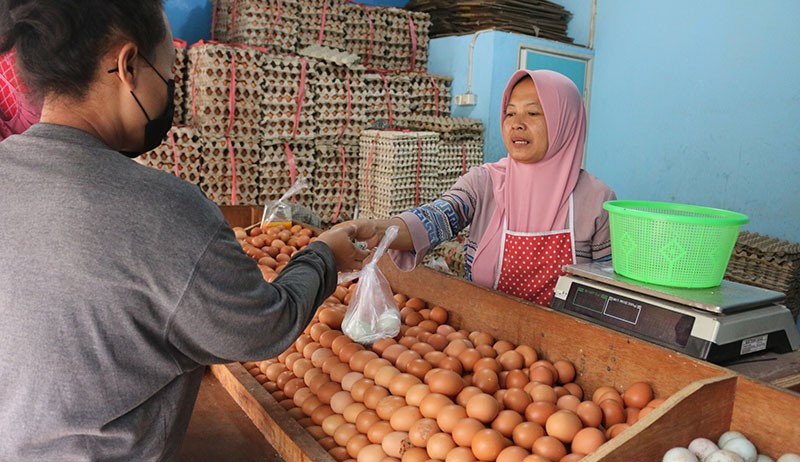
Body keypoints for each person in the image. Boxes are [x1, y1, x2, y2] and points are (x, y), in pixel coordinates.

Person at [0, 1, 370, 459]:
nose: (172, 89)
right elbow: (261, 328)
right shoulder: (164, 210)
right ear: (128, 64)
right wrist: (323, 255)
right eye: (169, 72)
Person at [340, 69, 616, 306]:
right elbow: (436, 218)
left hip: (566, 348)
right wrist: (374, 230)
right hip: (485, 333)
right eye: (510, 113)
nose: (516, 124)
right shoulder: (484, 183)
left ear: (565, 122)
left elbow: (606, 293)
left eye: (533, 113)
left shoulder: (597, 200)